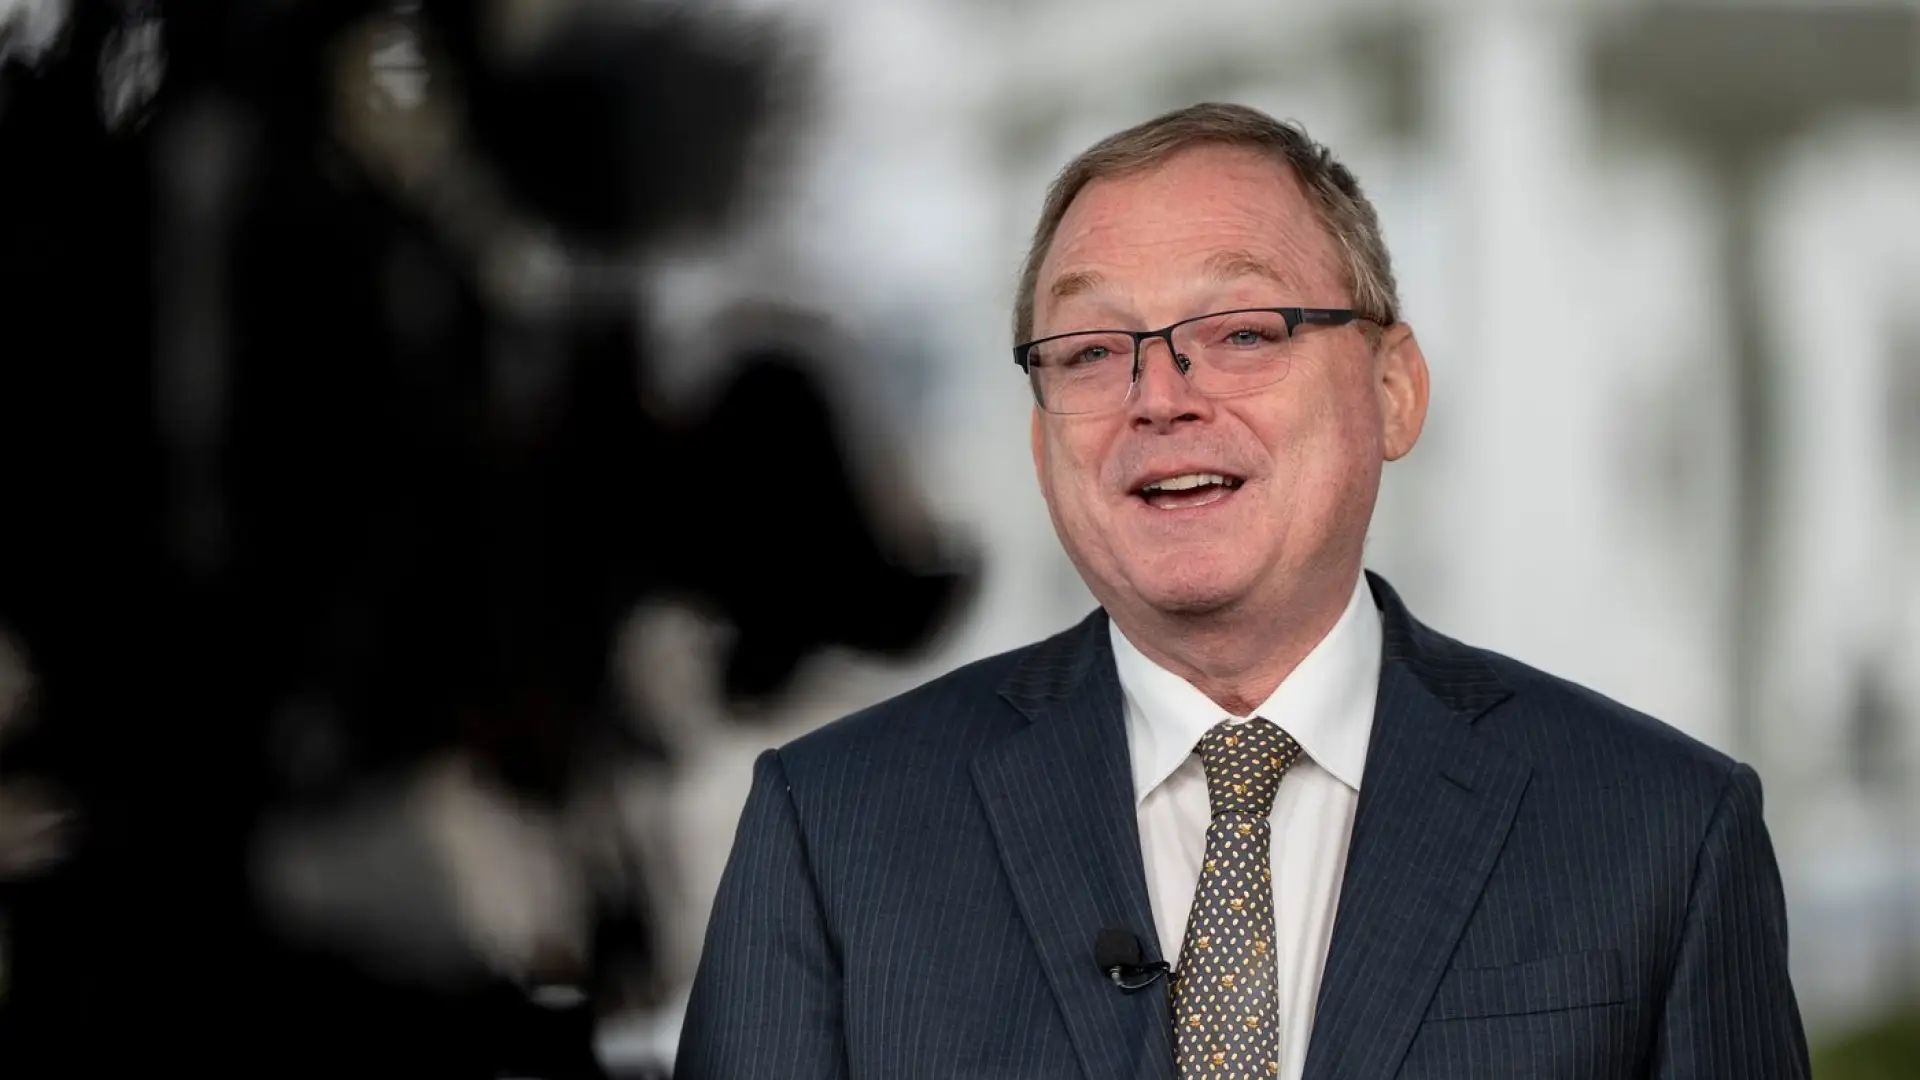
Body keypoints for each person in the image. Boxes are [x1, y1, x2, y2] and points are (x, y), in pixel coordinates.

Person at [674, 102, 1809, 1080]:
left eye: (1243, 333)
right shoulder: (832, 831)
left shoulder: (1661, 831)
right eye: (1090, 351)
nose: (1160, 396)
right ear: (1039, 439)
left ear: (1394, 389)